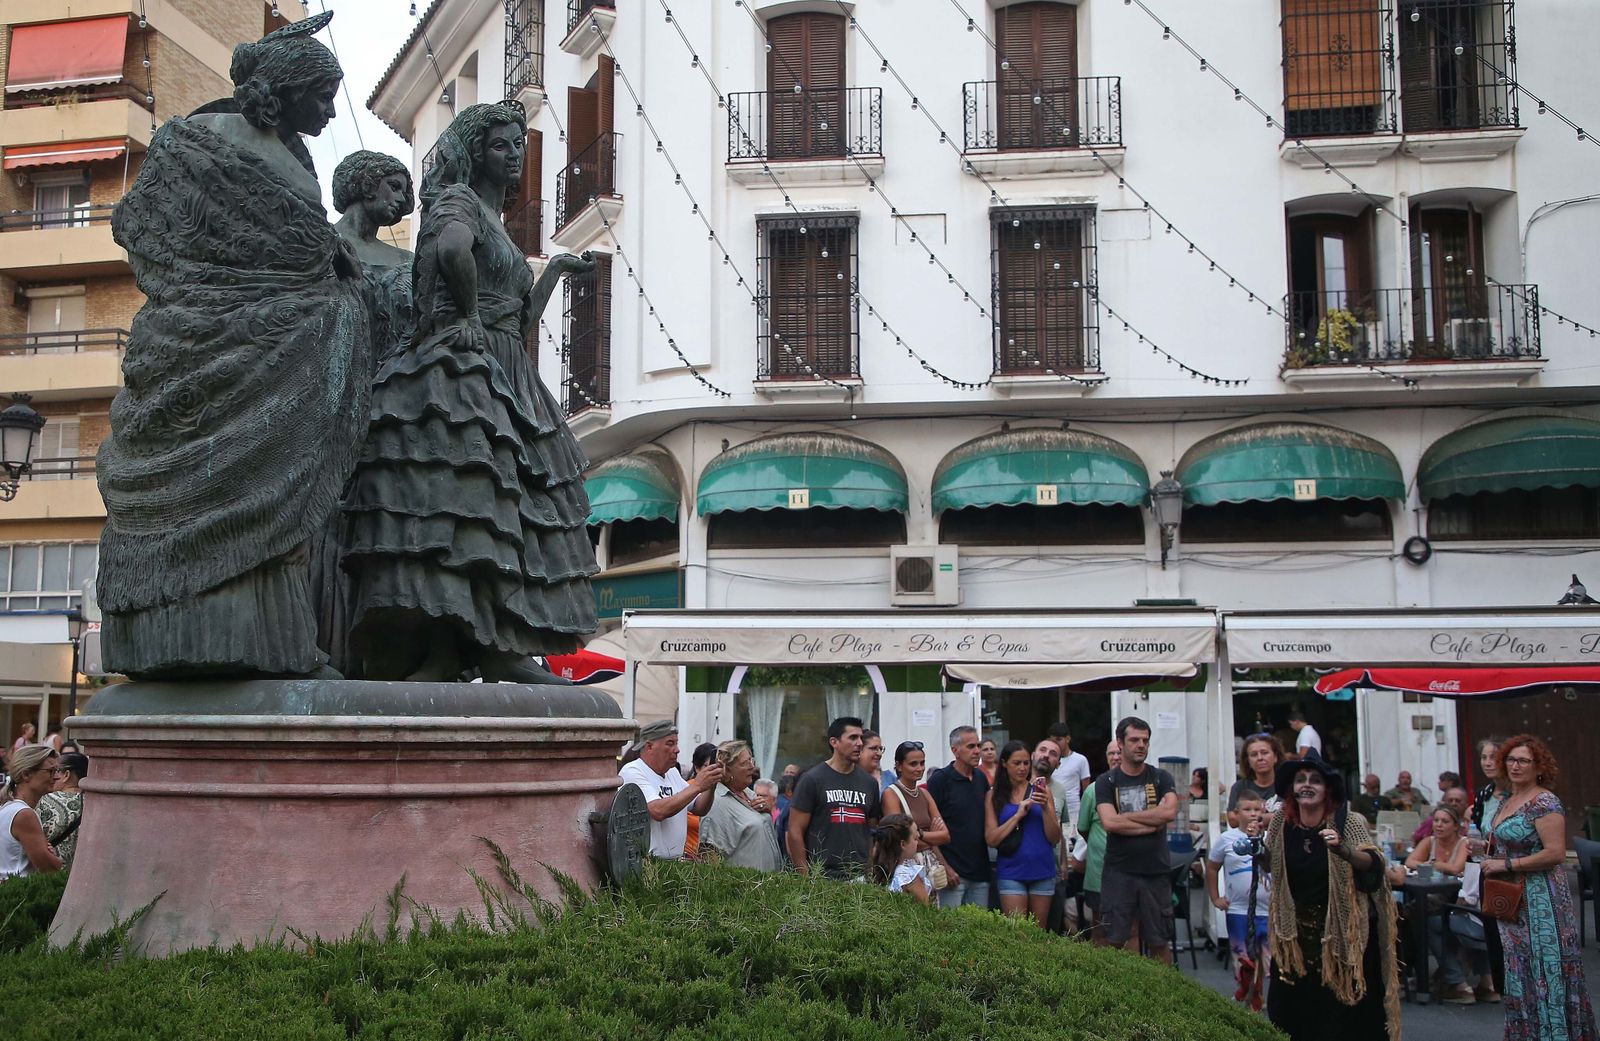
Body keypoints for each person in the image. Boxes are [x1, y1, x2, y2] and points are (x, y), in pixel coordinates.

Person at [97, 13, 371, 679]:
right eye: (324, 96)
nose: (333, 111)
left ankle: (257, 637)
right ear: (287, 89)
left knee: (271, 499)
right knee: (223, 488)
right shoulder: (201, 141)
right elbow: (142, 224)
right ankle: (189, 631)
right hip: (208, 346)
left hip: (271, 357)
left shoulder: (288, 155)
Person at [341, 100, 598, 682]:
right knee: (469, 506)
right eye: (503, 145)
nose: (515, 156)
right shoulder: (458, 202)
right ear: (475, 150)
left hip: (507, 363)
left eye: (519, 145)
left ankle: (488, 642)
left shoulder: (494, 218)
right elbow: (453, 250)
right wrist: (466, 312)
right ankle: (462, 646)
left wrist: (555, 269)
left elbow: (521, 317)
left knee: (506, 511)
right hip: (469, 367)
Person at [1263, 749, 1400, 1041]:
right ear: (1292, 788)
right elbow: (1272, 862)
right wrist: (1252, 848)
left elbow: (1373, 864)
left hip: (1341, 935)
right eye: (1300, 780)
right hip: (1293, 935)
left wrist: (1343, 850)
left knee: (1339, 1016)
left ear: (1328, 790)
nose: (1307, 785)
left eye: (1315, 780)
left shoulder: (1349, 822)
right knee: (1288, 1013)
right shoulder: (1280, 824)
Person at [1479, 735, 1597, 1041]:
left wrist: (1506, 865)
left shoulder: (1544, 801)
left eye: (1524, 761)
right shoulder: (1506, 799)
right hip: (1511, 900)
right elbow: (1509, 841)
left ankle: (1555, 1034)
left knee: (1547, 967)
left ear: (1539, 767)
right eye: (1511, 760)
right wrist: (1483, 847)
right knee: (1520, 969)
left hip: (1541, 898)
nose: (1515, 766)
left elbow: (1555, 853)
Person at [1094, 716, 1177, 962]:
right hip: (1119, 872)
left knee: (1159, 941)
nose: (1141, 745)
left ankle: (1167, 995)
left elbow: (1170, 813)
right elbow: (1109, 822)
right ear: (1120, 743)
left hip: (1156, 871)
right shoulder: (1106, 781)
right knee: (1114, 940)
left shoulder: (1161, 778)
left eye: (1145, 740)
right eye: (1134, 740)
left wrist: (1127, 820)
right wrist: (1153, 822)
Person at [786, 717, 880, 880]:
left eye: (860, 738)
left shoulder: (869, 783)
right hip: (821, 876)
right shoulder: (812, 779)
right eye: (852, 737)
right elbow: (794, 831)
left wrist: (869, 871)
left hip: (858, 878)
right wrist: (805, 878)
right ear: (834, 742)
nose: (859, 743)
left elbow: (871, 831)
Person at [617, 720, 721, 860]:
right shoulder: (633, 771)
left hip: (673, 863)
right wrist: (697, 785)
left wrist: (711, 783)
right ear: (649, 746)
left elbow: (699, 808)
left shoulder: (672, 773)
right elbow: (657, 811)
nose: (677, 749)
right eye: (670, 743)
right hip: (647, 864)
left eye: (676, 743)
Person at [1208, 790, 1272, 1010]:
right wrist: (1215, 897)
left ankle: (1257, 992)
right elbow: (1212, 867)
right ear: (1235, 814)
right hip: (1237, 909)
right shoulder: (1227, 839)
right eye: (1247, 809)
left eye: (1257, 809)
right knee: (1242, 956)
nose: (1253, 814)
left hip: (1267, 910)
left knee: (1265, 955)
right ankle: (1246, 990)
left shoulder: (1270, 838)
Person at [986, 740, 1062, 924]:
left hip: (1042, 869)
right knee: (1017, 931)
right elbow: (991, 839)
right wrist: (1017, 816)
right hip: (1011, 871)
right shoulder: (993, 795)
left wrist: (1045, 808)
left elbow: (1054, 838)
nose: (1022, 768)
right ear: (1004, 764)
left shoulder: (1043, 792)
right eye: (1016, 763)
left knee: (1038, 933)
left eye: (1026, 763)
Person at [926, 725, 991, 909]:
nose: (977, 751)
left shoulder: (981, 778)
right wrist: (945, 867)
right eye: (971, 746)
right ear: (955, 750)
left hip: (980, 873)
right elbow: (930, 827)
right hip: (953, 873)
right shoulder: (941, 779)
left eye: (978, 745)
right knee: (951, 931)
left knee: (981, 931)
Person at [699, 741, 782, 871]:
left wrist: (767, 812)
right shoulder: (717, 802)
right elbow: (710, 861)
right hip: (744, 887)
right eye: (744, 763)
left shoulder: (749, 794)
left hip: (766, 885)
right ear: (727, 770)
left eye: (751, 760)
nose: (751, 767)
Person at [881, 740, 951, 894]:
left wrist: (920, 833)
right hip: (907, 865)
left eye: (922, 763)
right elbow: (900, 839)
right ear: (899, 766)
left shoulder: (924, 793)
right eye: (913, 764)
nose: (919, 768)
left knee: (931, 913)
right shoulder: (891, 794)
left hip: (930, 864)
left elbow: (945, 836)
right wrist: (930, 834)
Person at [1075, 739, 1121, 937]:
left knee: (1130, 932)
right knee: (1100, 930)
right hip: (1098, 875)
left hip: (1131, 872)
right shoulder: (1093, 790)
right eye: (1111, 753)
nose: (1115, 757)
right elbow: (1083, 829)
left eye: (1119, 752)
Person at [0, 746, 64, 879]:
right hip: (18, 895)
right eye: (51, 771)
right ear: (26, 774)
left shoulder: (8, 808)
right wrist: (52, 857)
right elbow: (50, 868)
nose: (57, 777)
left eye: (57, 771)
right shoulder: (24, 814)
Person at [36, 752, 87, 872]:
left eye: (56, 771)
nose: (53, 777)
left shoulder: (44, 801)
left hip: (49, 876)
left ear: (66, 775)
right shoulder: (97, 805)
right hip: (81, 877)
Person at [869, 815, 931, 905]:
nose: (917, 842)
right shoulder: (909, 877)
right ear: (903, 844)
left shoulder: (869, 873)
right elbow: (925, 911)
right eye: (915, 839)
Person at [1047, 722, 1092, 822]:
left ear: (1067, 739)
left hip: (1074, 812)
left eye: (1059, 740)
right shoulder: (1047, 760)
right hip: (1052, 808)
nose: (1056, 744)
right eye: (1052, 741)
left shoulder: (1080, 760)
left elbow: (1087, 791)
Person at [1229, 733, 1283, 813]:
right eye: (1254, 755)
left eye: (1264, 753)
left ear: (1275, 757)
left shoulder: (1288, 785)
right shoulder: (1240, 787)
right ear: (1248, 761)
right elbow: (1233, 819)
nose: (1260, 758)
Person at [682, 742, 718, 859]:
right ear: (697, 768)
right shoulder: (686, 790)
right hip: (690, 859)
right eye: (708, 766)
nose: (714, 771)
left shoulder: (723, 791)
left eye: (717, 766)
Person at [1471, 736, 1508, 834]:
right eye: (1484, 758)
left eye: (1493, 757)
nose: (1487, 763)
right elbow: (1476, 830)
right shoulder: (1483, 794)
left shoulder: (1520, 792)